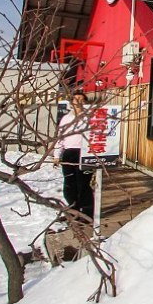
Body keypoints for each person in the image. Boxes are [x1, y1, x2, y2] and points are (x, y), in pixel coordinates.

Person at [53, 91, 94, 221]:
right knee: (69, 184)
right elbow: (60, 137)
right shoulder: (66, 118)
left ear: (85, 102)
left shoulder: (90, 117)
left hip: (84, 153)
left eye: (82, 99)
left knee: (84, 184)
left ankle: (87, 213)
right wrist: (56, 155)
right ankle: (72, 211)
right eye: (76, 99)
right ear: (71, 102)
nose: (78, 101)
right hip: (68, 153)